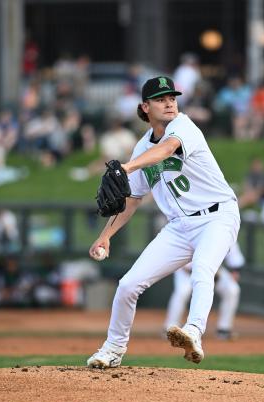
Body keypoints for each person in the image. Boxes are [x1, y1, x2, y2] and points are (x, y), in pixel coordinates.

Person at [86, 76, 241, 368]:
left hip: (218, 216)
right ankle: (113, 349)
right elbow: (132, 199)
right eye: (160, 99)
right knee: (128, 285)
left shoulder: (183, 126)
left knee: (202, 269)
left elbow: (167, 149)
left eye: (172, 97)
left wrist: (128, 166)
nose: (169, 102)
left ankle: (194, 331)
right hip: (179, 227)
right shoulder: (142, 146)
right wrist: (106, 235)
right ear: (145, 107)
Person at [164, 243, 245, 340]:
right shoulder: (194, 229)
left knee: (232, 289)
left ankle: (224, 329)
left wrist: (235, 270)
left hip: (211, 270)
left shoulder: (223, 230)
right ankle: (170, 328)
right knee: (183, 291)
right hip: (186, 270)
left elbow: (234, 255)